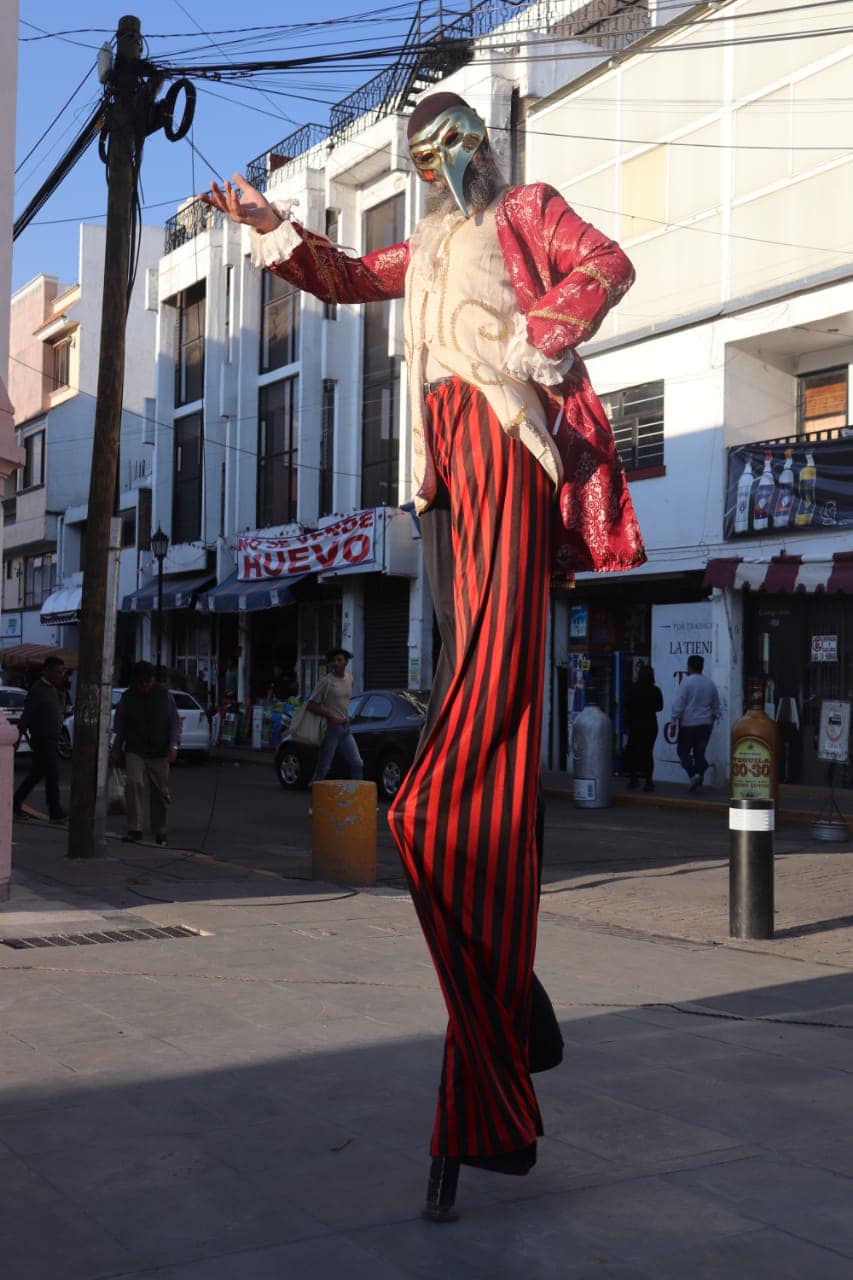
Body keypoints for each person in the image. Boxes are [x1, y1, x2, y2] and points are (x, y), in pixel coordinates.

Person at [202, 91, 644, 1219]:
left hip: (502, 440)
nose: (438, 169)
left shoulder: (524, 211)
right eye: (422, 157)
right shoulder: (436, 240)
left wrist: (535, 342)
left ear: (482, 152)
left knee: (438, 798)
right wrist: (263, 221)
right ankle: (509, 1017)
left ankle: (509, 1019)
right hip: (448, 470)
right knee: (445, 797)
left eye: (451, 150)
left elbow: (606, 264)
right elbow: (347, 277)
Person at [111, 661, 181, 845]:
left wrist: (174, 745)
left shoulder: (164, 695)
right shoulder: (127, 698)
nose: (145, 686)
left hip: (159, 750)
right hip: (135, 749)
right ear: (135, 681)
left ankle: (160, 828)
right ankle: (135, 828)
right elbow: (119, 727)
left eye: (148, 682)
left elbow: (175, 722)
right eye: (141, 683)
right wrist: (116, 751)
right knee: (134, 784)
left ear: (153, 680)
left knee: (161, 792)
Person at [13, 655, 68, 821]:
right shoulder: (38, 689)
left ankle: (15, 801)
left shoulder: (52, 689)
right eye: (57, 672)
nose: (60, 676)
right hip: (42, 738)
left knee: (37, 773)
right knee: (52, 774)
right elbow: (27, 715)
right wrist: (18, 736)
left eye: (61, 672)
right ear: (46, 672)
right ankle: (55, 810)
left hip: (51, 737)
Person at [306, 648, 363, 787]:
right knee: (324, 767)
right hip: (331, 729)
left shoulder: (350, 679)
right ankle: (316, 794)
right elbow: (311, 705)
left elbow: (343, 702)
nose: (336, 663)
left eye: (339, 660)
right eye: (334, 661)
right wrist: (331, 716)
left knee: (357, 763)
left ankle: (358, 795)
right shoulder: (326, 681)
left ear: (346, 663)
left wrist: (347, 715)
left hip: (345, 728)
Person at [672, 654, 720, 793]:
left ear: (689, 667)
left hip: (688, 724)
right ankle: (699, 777)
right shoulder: (710, 683)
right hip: (705, 724)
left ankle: (694, 775)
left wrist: (673, 720)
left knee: (682, 752)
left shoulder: (686, 682)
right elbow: (716, 705)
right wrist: (711, 720)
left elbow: (679, 704)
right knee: (699, 752)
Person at [623, 664, 663, 792]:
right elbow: (659, 707)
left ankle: (633, 779)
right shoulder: (655, 690)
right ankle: (649, 781)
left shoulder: (632, 689)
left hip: (635, 724)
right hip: (650, 724)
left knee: (632, 751)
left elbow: (626, 705)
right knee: (647, 753)